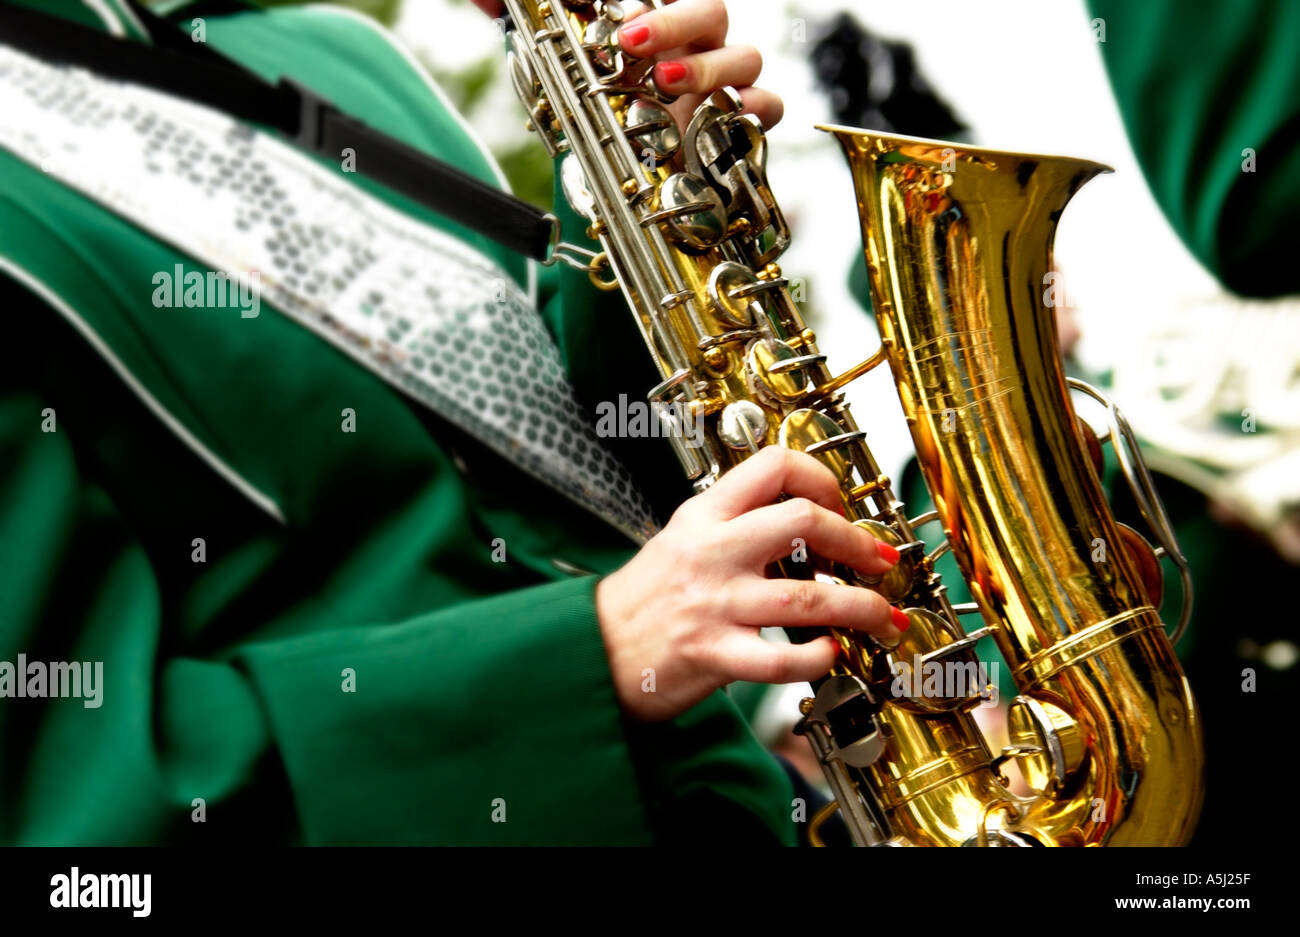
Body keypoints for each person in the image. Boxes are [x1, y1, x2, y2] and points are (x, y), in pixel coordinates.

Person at [0, 0, 901, 845]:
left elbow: (581, 472)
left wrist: (659, 200)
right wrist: (588, 654)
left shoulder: (338, 55)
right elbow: (72, 805)